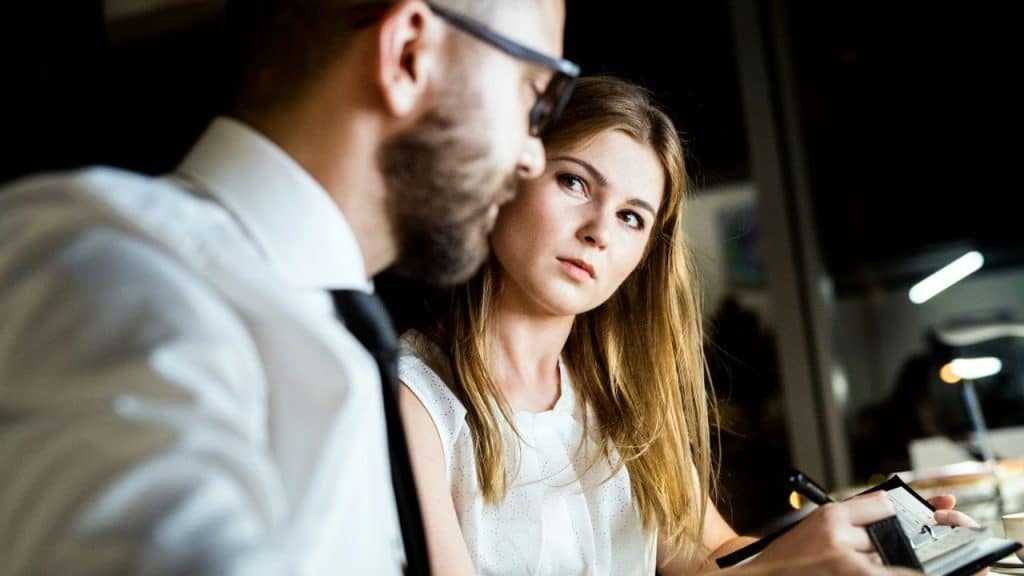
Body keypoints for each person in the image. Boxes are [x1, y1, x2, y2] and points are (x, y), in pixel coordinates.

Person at [0, 1, 575, 573]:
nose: (532, 156)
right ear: (407, 54)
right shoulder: (109, 270)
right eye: (535, 94)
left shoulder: (340, 332)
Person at [396, 76, 974, 575]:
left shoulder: (616, 398)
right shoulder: (413, 398)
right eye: (573, 182)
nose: (599, 229)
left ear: (644, 253)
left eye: (631, 217)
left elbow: (711, 554)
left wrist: (848, 552)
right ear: (511, 176)